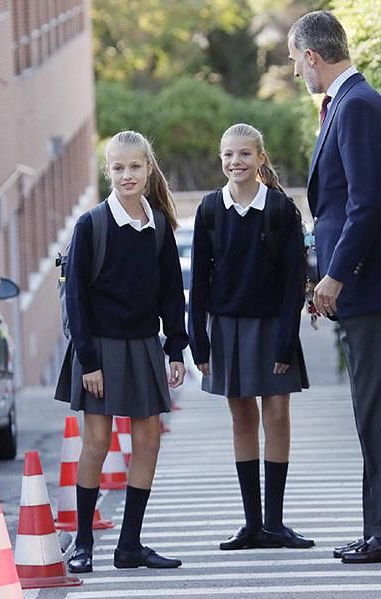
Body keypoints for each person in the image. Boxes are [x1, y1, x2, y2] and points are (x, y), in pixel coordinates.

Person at [56, 130, 188, 573]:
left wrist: (175, 348)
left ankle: (130, 544)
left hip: (146, 346)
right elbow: (77, 299)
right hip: (101, 350)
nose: (127, 174)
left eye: (135, 166)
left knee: (148, 440)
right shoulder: (91, 224)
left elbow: (172, 292)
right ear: (107, 170)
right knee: (96, 441)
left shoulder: (159, 227)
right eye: (117, 167)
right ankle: (83, 542)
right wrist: (88, 361)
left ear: (149, 168)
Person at [189, 123, 313, 551]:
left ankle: (276, 524)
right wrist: (197, 340)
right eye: (228, 155)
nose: (235, 162)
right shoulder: (209, 210)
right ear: (220, 159)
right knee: (242, 420)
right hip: (225, 327)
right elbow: (201, 281)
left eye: (244, 154)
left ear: (260, 158)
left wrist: (285, 340)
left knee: (276, 417)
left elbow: (293, 282)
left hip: (272, 327)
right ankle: (252, 525)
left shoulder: (281, 209)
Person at [288, 11, 381, 563]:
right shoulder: (346, 106)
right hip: (360, 290)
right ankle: (375, 530)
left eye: (297, 61)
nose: (298, 71)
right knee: (370, 415)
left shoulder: (357, 107)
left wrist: (335, 276)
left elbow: (366, 205)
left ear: (312, 57)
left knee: (373, 414)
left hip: (367, 290)